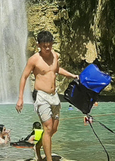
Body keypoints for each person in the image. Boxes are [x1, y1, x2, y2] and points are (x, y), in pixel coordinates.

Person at [16, 30, 78, 161]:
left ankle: (38, 147)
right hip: (41, 96)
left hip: (54, 96)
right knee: (48, 127)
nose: (48, 48)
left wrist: (71, 75)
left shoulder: (55, 55)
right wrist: (20, 98)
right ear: (38, 45)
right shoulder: (34, 60)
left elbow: (56, 70)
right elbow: (24, 77)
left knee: (53, 129)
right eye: (45, 46)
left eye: (50, 45)